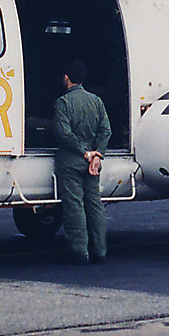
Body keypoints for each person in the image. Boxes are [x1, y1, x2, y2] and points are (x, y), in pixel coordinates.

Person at [53, 60, 112, 264]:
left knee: (74, 206)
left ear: (67, 77)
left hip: (71, 161)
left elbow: (64, 133)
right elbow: (106, 131)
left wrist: (85, 152)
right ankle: (100, 251)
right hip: (92, 163)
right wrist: (98, 155)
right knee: (95, 205)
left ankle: (80, 252)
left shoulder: (63, 102)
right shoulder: (96, 101)